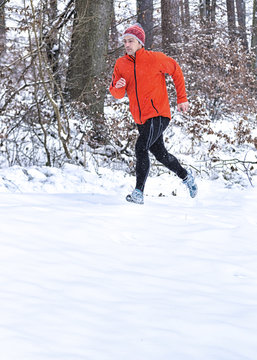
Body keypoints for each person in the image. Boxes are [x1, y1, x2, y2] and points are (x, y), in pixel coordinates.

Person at [109, 23, 197, 204]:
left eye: (131, 41)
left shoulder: (155, 59)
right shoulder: (121, 64)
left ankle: (138, 193)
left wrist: (182, 98)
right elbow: (118, 94)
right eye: (125, 41)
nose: (127, 45)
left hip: (158, 113)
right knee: (160, 154)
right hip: (140, 118)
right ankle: (187, 177)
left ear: (140, 42)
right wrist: (116, 87)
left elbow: (176, 70)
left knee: (141, 147)